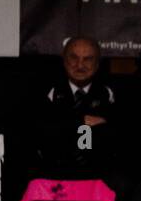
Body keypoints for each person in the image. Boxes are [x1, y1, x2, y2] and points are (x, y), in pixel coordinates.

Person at [33, 36, 120, 176]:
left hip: (100, 178)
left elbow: (121, 134)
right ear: (64, 61)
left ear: (97, 64)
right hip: (55, 176)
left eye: (88, 59)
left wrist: (65, 125)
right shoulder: (46, 91)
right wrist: (79, 122)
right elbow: (41, 133)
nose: (80, 65)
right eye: (74, 58)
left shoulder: (110, 93)